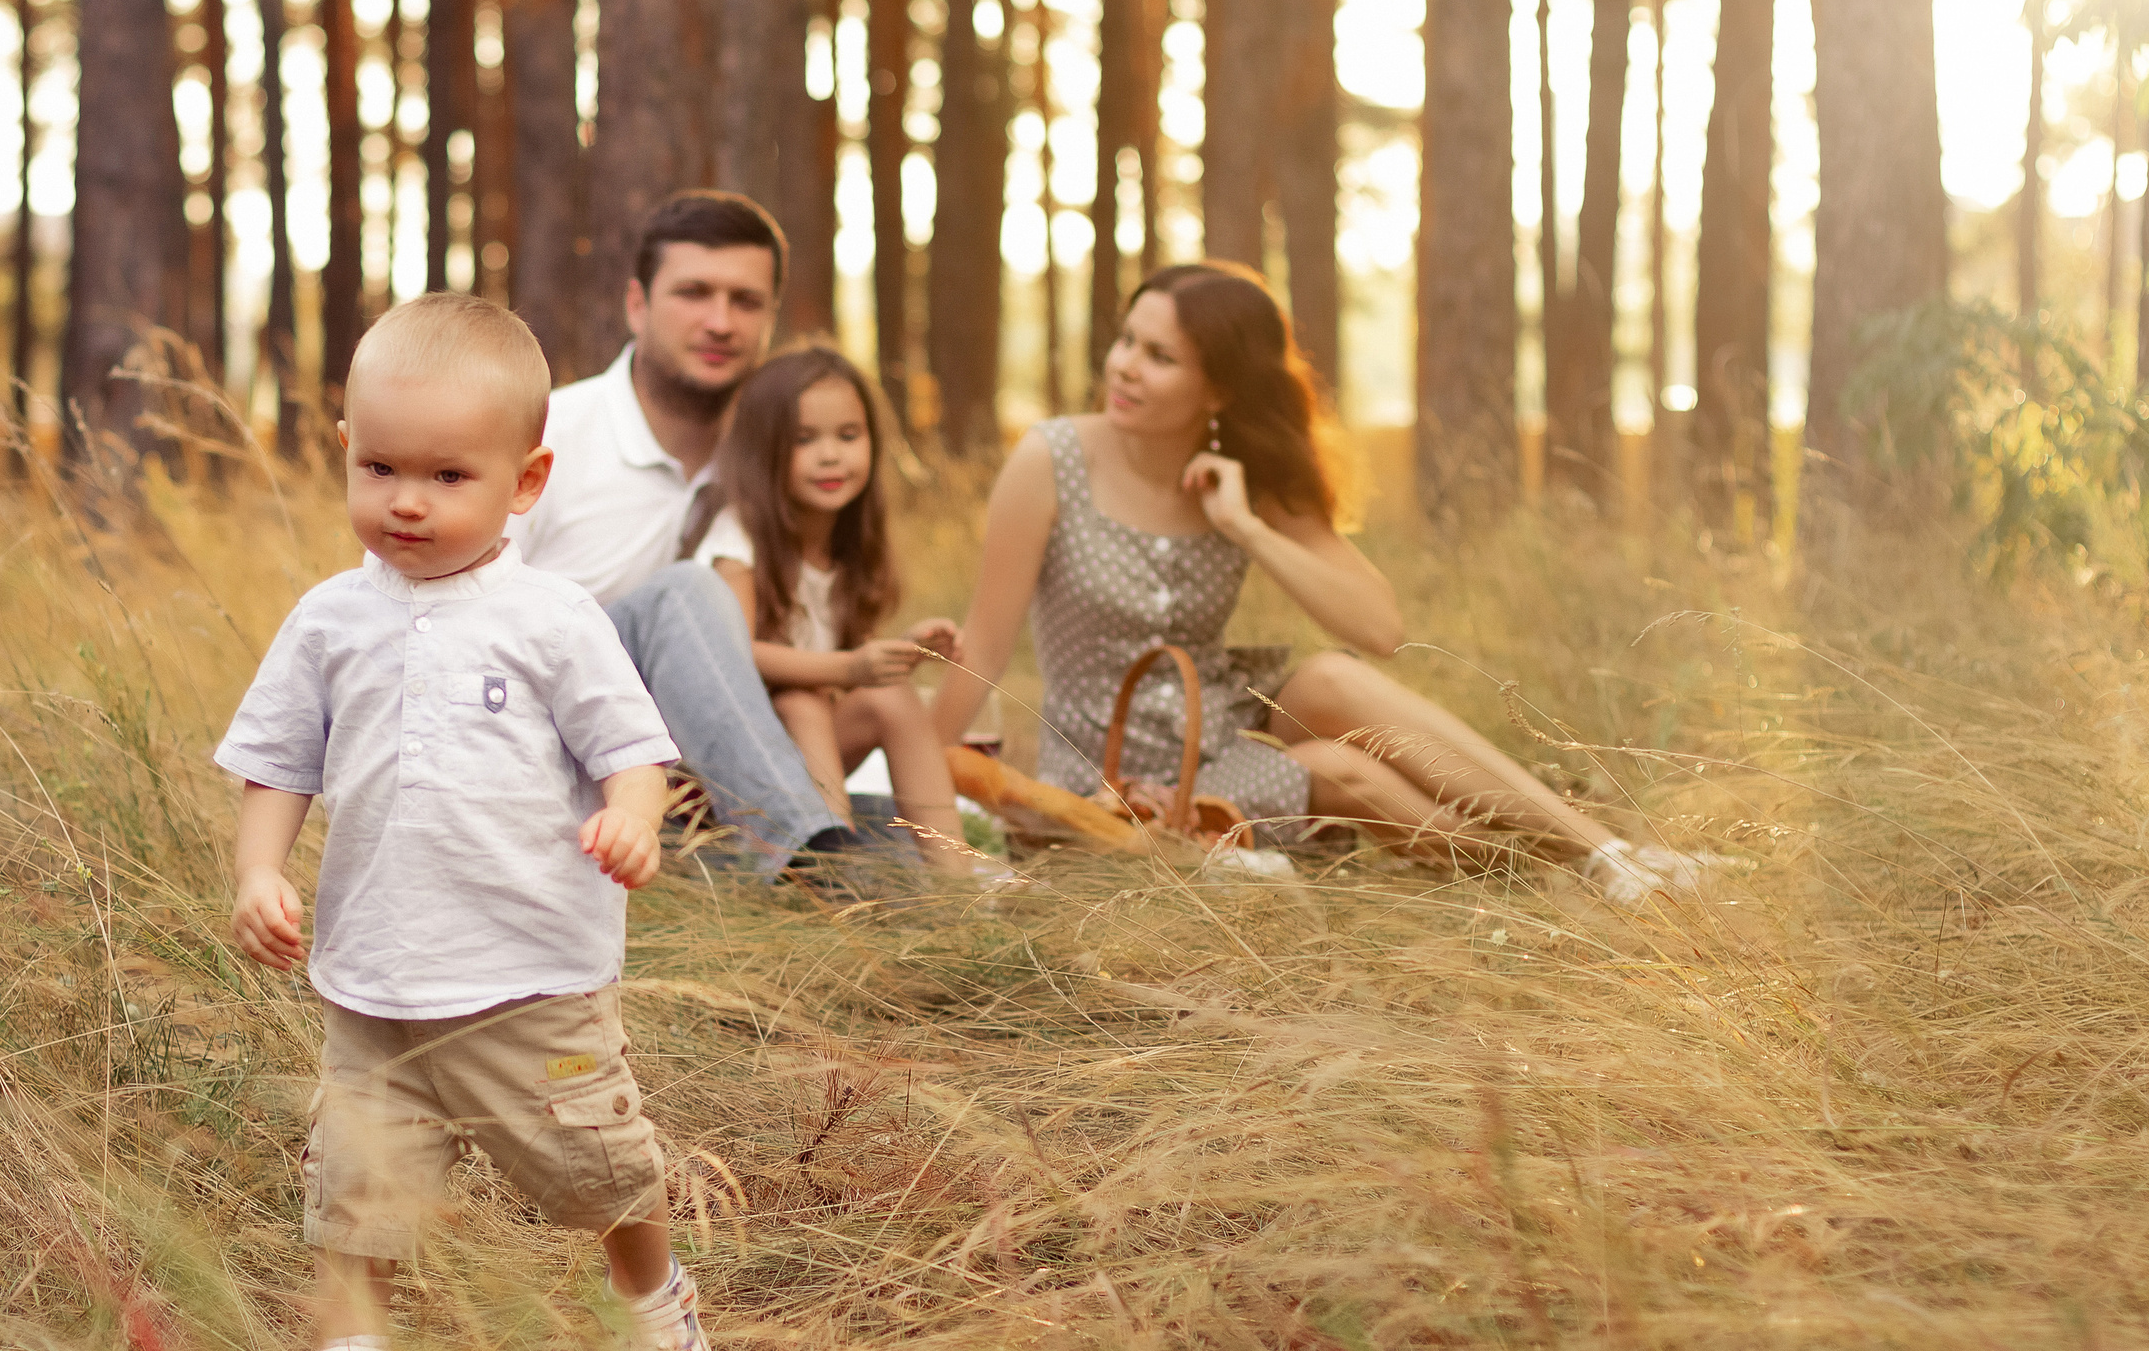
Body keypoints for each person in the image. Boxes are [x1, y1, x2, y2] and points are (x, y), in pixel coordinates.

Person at [218, 292, 713, 1351]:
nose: (406, 502)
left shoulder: (551, 618)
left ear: (525, 482)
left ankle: (651, 1303)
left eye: (448, 477)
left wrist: (629, 816)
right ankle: (350, 1350)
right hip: (375, 980)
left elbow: (631, 748)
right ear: (346, 453)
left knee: (601, 1166)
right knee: (358, 1174)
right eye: (381, 469)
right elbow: (278, 762)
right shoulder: (328, 619)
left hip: (528, 977)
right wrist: (259, 870)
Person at [930, 261, 1717, 903]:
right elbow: (985, 649)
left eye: (1159, 357)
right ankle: (1563, 876)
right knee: (1350, 771)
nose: (1124, 369)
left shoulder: (1247, 477)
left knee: (1336, 676)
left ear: (1220, 390)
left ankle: (1608, 855)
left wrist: (1247, 526)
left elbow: (1379, 629)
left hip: (1220, 716)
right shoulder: (1051, 461)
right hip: (1114, 767)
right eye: (1127, 341)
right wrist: (916, 780)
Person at [509, 191, 878, 875]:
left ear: (770, 318)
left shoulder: (779, 459)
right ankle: (811, 860)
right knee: (684, 593)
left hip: (689, 789)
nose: (720, 321)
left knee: (900, 837)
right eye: (694, 293)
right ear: (637, 305)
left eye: (746, 301)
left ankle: (811, 858)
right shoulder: (548, 434)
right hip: (555, 761)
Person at [685, 346, 990, 877]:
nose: (831, 456)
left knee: (887, 696)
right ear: (764, 451)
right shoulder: (740, 537)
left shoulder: (848, 549)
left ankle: (957, 880)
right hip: (729, 770)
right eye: (805, 440)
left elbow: (848, 676)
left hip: (812, 755)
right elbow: (727, 654)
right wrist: (851, 667)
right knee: (802, 701)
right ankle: (834, 880)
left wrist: (897, 653)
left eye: (848, 436)